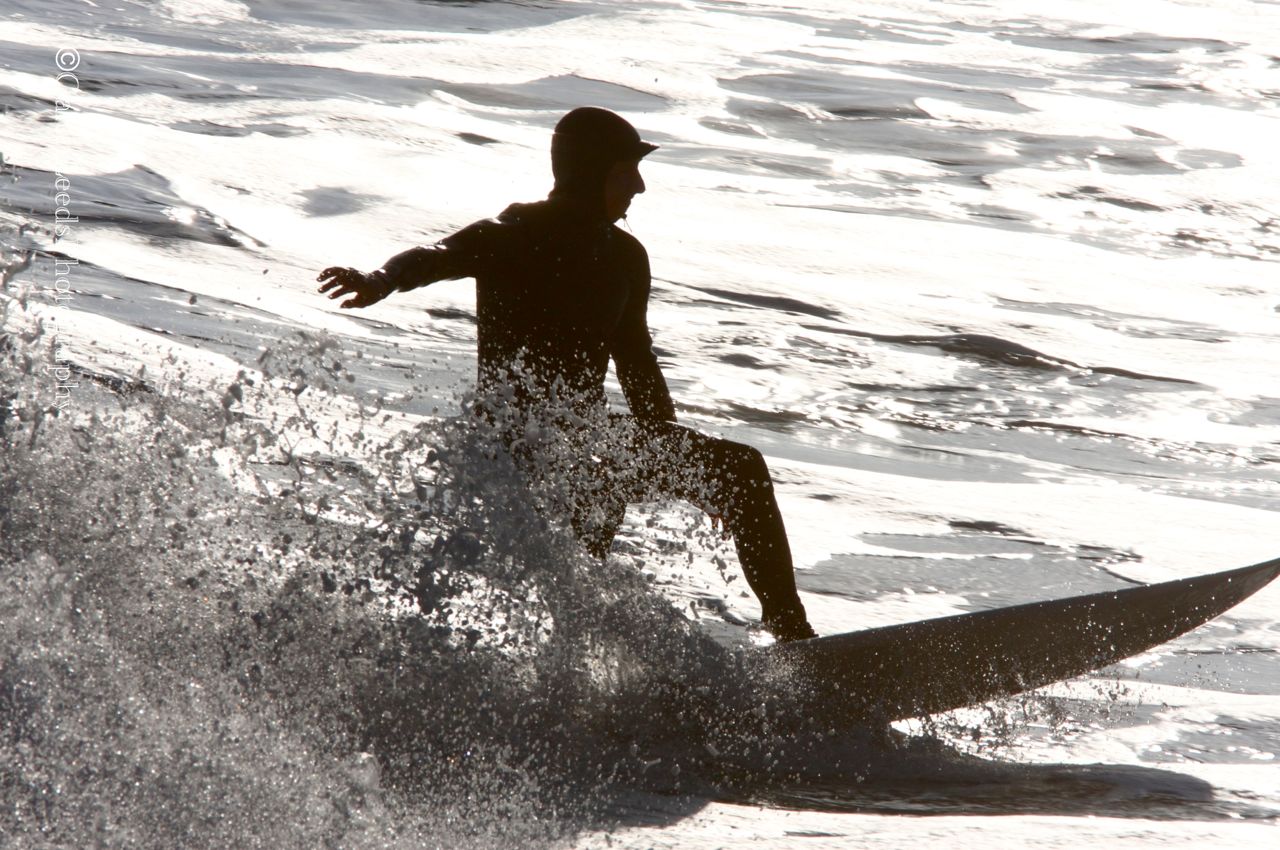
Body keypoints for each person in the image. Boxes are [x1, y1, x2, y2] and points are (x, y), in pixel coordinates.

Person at [317, 106, 815, 642]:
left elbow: (636, 361)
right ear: (592, 173)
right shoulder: (511, 235)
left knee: (737, 471)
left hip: (585, 439)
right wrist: (378, 280)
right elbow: (434, 256)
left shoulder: (624, 256)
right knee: (594, 489)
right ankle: (571, 656)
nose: (639, 186)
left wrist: (672, 453)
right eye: (627, 171)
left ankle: (790, 634)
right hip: (514, 447)